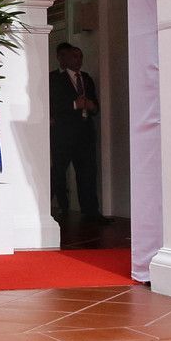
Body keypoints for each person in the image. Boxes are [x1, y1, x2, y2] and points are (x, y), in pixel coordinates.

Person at [49, 42, 107, 222]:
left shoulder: (86, 78)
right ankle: (51, 207)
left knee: (88, 173)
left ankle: (91, 212)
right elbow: (53, 105)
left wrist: (91, 106)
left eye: (81, 56)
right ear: (65, 58)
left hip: (85, 134)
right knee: (58, 172)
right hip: (64, 135)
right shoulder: (55, 79)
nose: (78, 60)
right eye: (74, 56)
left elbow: (95, 106)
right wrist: (75, 104)